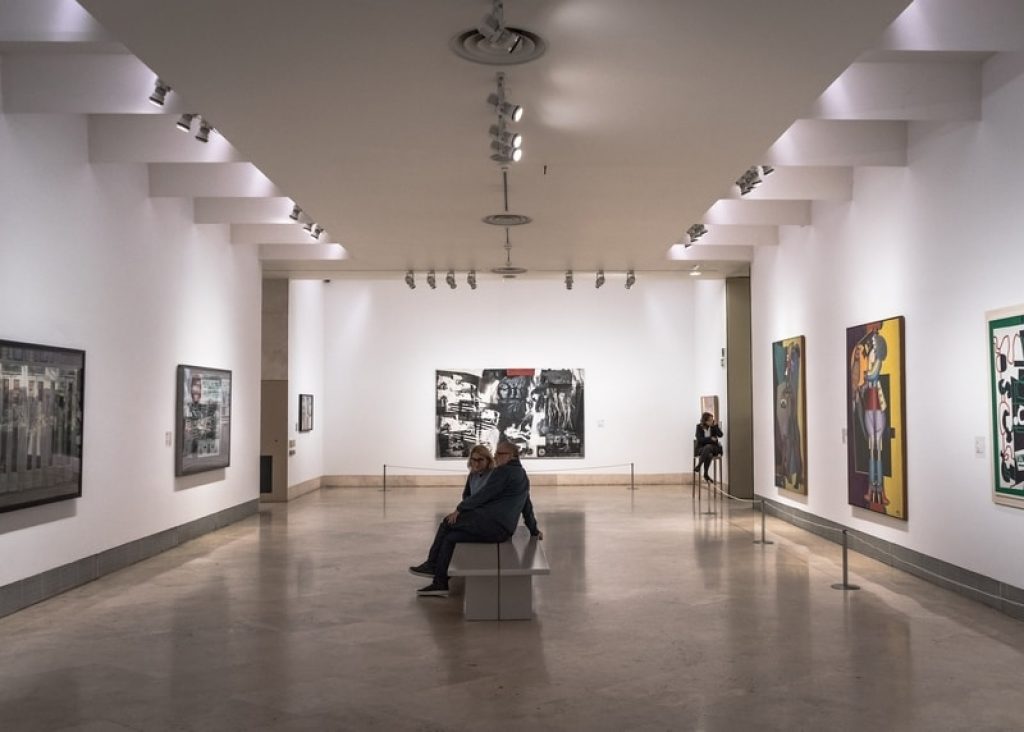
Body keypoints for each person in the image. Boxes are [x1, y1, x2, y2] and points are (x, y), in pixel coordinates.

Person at [409, 441, 542, 597]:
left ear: (511, 456)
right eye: (496, 453)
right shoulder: (522, 475)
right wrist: (534, 530)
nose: (496, 456)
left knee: (447, 523)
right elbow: (527, 506)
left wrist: (460, 509)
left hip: (491, 525)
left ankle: (432, 566)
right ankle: (440, 582)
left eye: (500, 454)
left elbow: (484, 494)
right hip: (503, 530)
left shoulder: (503, 472)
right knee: (451, 538)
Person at [695, 411, 723, 483]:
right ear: (706, 421)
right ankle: (705, 474)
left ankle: (699, 465)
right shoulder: (699, 427)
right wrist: (710, 439)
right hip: (701, 449)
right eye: (710, 420)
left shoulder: (714, 427)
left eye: (712, 419)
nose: (712, 421)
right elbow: (700, 439)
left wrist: (715, 426)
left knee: (708, 447)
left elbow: (720, 435)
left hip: (713, 448)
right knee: (709, 454)